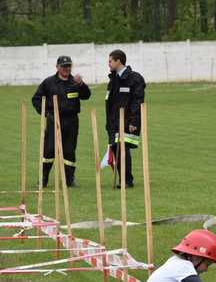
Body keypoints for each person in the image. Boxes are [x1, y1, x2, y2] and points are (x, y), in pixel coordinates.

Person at [32, 56, 91, 187]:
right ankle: (43, 178)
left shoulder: (75, 81)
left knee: (69, 150)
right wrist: (46, 113)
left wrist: (81, 84)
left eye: (69, 66)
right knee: (49, 150)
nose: (66, 69)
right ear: (57, 67)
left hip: (71, 121)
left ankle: (69, 179)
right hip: (54, 119)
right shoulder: (48, 83)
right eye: (64, 66)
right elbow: (36, 99)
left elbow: (86, 96)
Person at [105, 49, 146, 188]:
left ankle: (127, 180)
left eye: (110, 61)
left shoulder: (134, 78)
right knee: (116, 149)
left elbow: (137, 101)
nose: (108, 64)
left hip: (128, 121)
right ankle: (124, 179)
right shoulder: (113, 79)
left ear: (118, 61)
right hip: (113, 122)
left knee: (123, 149)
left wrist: (134, 121)